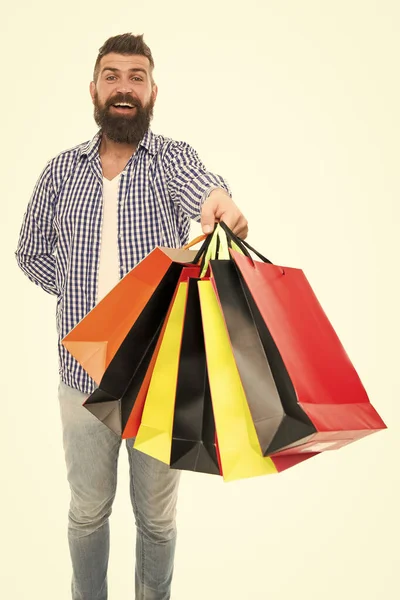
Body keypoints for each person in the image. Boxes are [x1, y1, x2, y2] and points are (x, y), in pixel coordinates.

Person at [15, 32, 248, 600]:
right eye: (112, 76)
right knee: (88, 513)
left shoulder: (170, 159)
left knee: (158, 519)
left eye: (136, 77)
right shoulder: (59, 172)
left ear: (153, 92)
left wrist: (220, 201)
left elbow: (205, 188)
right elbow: (29, 251)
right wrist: (81, 305)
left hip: (159, 379)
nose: (124, 87)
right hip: (82, 379)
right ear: (93, 89)